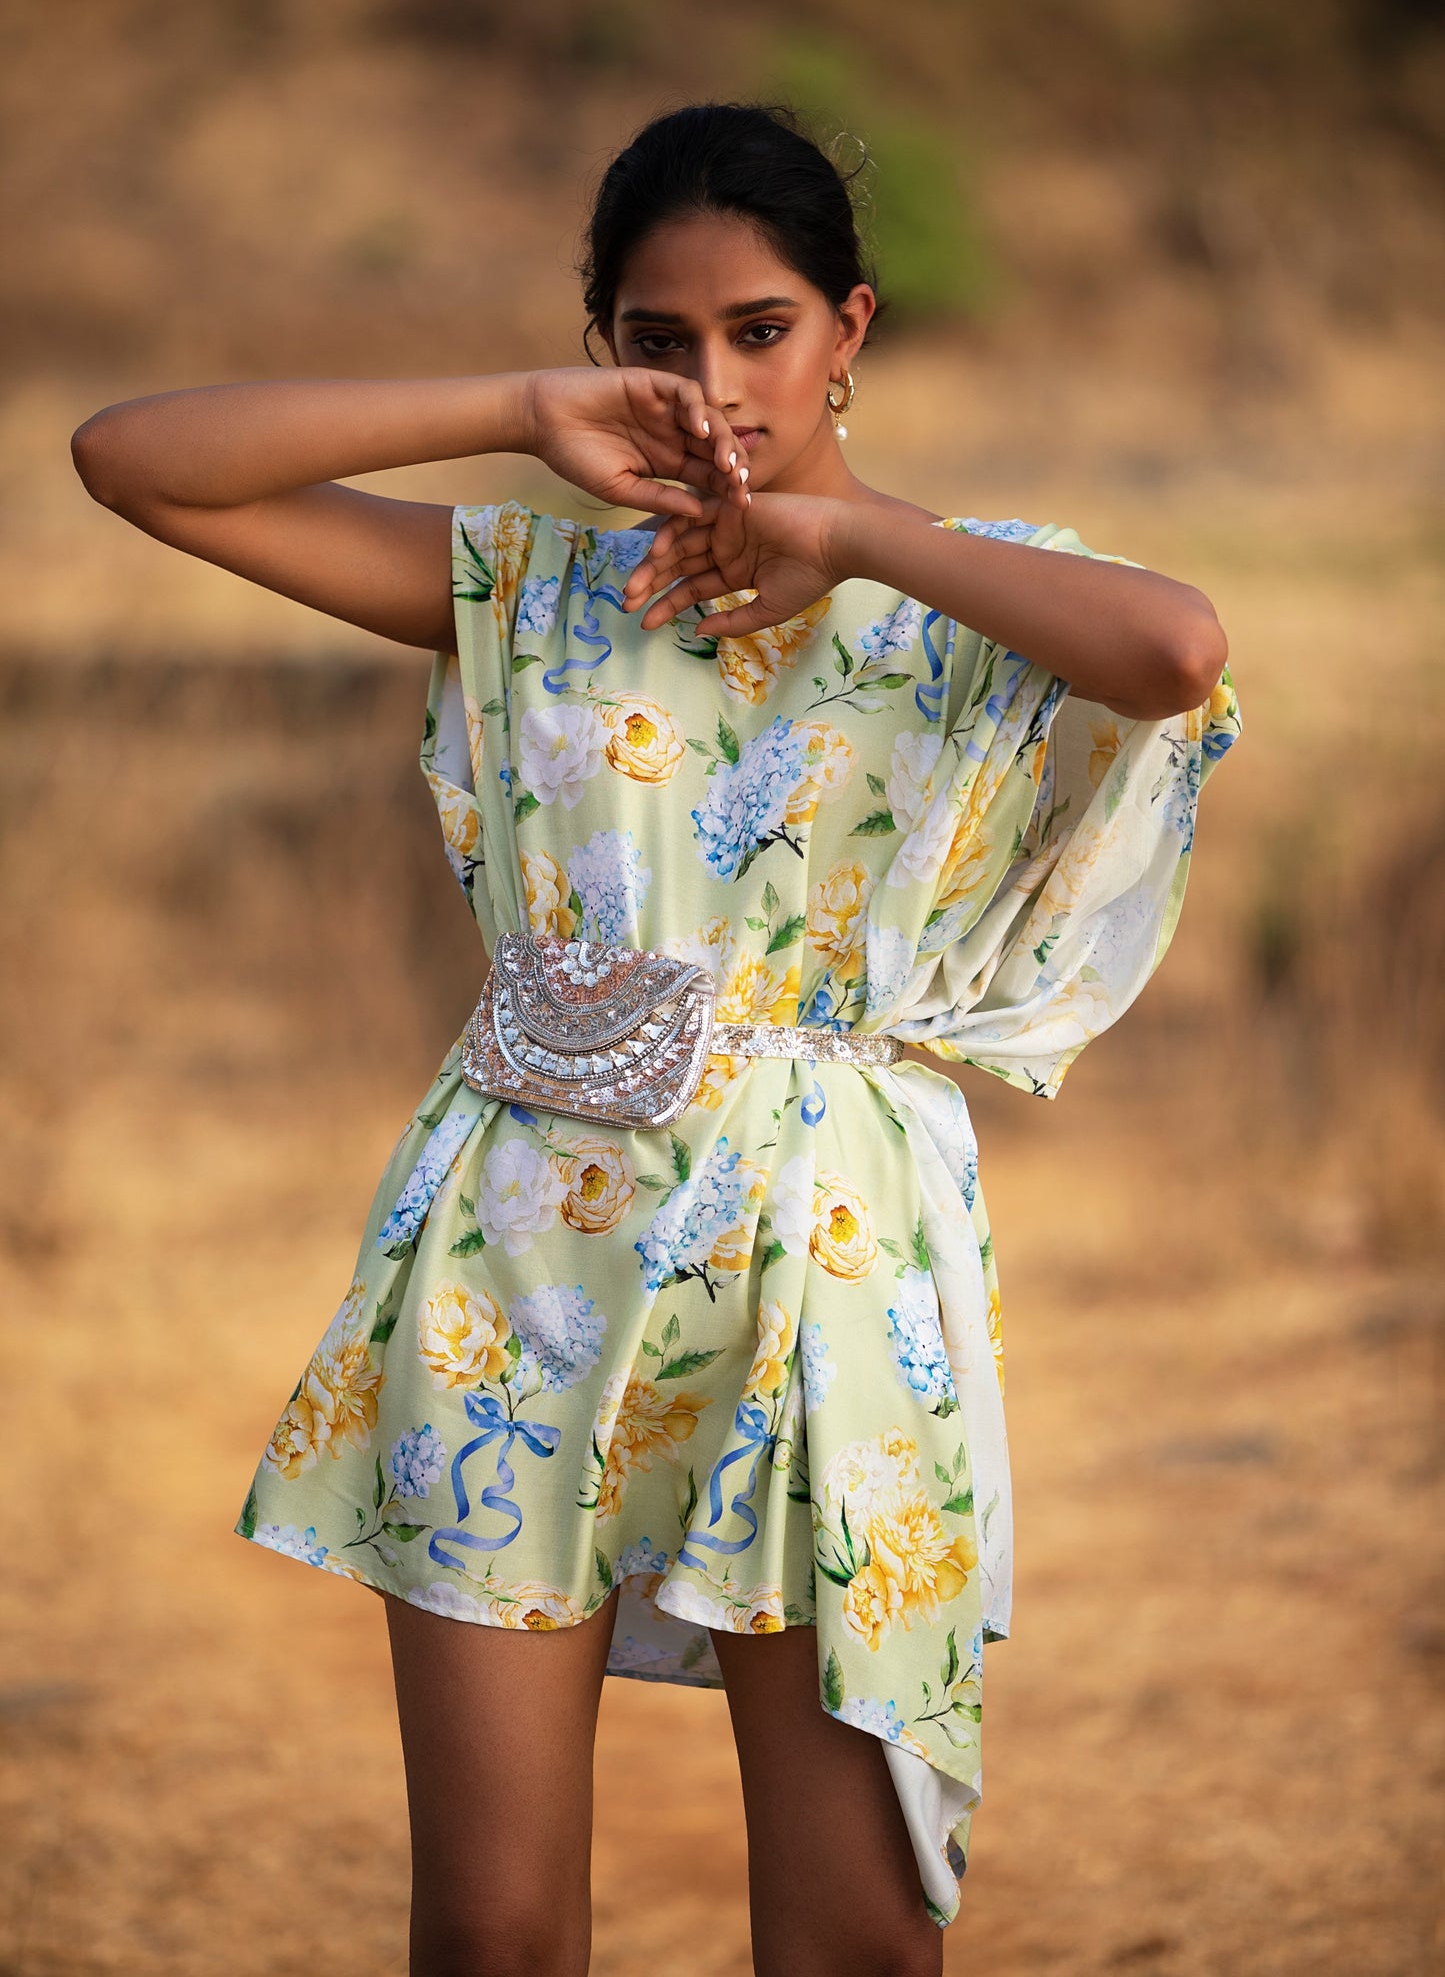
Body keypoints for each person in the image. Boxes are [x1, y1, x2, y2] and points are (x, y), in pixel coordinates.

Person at [72, 102, 1239, 1977]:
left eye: (760, 330)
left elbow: (1173, 652)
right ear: (607, 345)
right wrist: (516, 408)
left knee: (855, 1939)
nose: (713, 386)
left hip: (831, 1272)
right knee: (493, 1926)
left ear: (850, 328)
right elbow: (132, 460)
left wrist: (853, 535)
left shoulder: (957, 592)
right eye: (655, 339)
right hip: (512, 1264)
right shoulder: (524, 591)